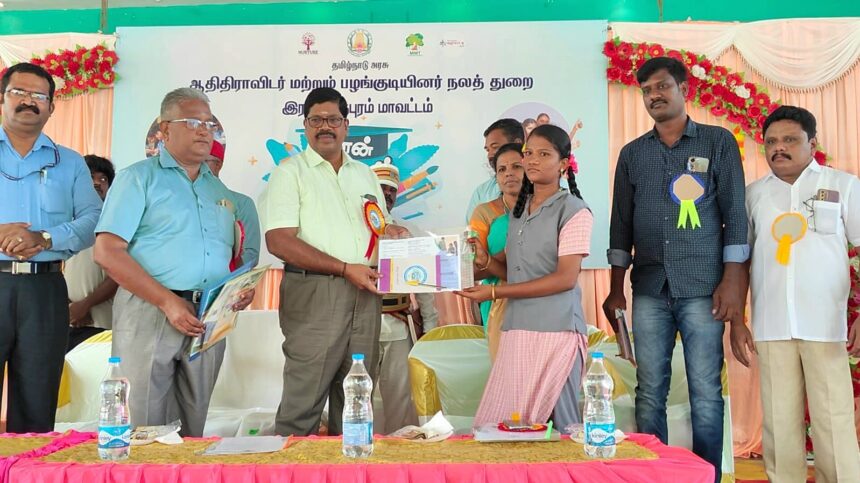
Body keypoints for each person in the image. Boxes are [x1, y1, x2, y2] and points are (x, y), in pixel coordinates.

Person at [602, 56, 747, 482]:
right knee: (649, 391)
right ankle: (656, 476)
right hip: (649, 288)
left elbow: (735, 215)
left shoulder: (718, 142)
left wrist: (733, 282)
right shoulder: (633, 154)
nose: (654, 96)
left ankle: (707, 476)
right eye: (647, 90)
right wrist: (615, 289)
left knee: (705, 390)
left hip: (704, 286)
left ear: (684, 89)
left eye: (662, 86)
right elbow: (620, 224)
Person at [94, 87, 255, 437]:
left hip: (208, 316)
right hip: (150, 309)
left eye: (210, 124)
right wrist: (167, 302)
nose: (204, 131)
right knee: (144, 425)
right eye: (193, 122)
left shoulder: (219, 191)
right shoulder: (138, 178)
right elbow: (107, 252)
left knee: (192, 426)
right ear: (164, 130)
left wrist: (239, 292)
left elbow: (229, 258)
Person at [259, 87, 409, 437]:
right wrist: (343, 269)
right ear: (305, 126)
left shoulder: (365, 174)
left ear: (346, 126)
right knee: (303, 402)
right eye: (316, 120)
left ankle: (352, 463)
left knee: (357, 400)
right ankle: (292, 467)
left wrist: (393, 232)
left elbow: (380, 227)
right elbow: (278, 240)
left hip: (366, 294)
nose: (325, 126)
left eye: (333, 119)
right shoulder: (290, 172)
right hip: (315, 293)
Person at [731, 106, 860, 482]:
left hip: (825, 324)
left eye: (789, 139)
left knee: (833, 419)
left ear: (812, 143)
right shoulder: (754, 194)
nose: (778, 148)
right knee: (779, 422)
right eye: (771, 141)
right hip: (772, 324)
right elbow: (739, 260)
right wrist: (737, 320)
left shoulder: (843, 185)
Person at [460, 124, 592, 431]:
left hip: (557, 330)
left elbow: (564, 279)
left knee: (561, 426)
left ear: (563, 164)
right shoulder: (519, 212)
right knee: (511, 427)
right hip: (516, 328)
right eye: (528, 153)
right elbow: (511, 268)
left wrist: (496, 293)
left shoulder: (574, 211)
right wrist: (484, 260)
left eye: (543, 154)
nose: (532, 160)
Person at [0, 62, 102, 432]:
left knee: (38, 400)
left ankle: (27, 462)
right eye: (19, 92)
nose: (29, 101)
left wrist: (45, 238)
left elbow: (94, 219)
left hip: (45, 289)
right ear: (2, 99)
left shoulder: (69, 162)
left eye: (39, 96)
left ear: (52, 107)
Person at [370, 159, 439, 434]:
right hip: (360, 324)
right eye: (381, 188)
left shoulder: (408, 232)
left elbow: (423, 286)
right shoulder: (351, 232)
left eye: (391, 191)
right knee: (356, 396)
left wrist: (430, 327)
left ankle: (398, 450)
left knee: (400, 399)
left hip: (399, 325)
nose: (387, 195)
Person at [468, 142, 524, 359]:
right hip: (496, 300)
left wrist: (502, 257)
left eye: (516, 167)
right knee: (505, 367)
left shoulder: (543, 209)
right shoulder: (483, 212)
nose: (509, 173)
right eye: (502, 169)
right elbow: (472, 269)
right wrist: (508, 256)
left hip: (538, 296)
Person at [66, 155, 119, 351]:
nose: (97, 183)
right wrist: (71, 308)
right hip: (70, 319)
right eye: (91, 177)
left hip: (102, 324)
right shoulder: (68, 221)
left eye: (103, 179)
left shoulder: (115, 221)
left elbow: (119, 276)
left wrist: (85, 305)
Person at [204, 140, 261, 267]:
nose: (197, 168)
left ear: (218, 164)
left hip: (228, 278)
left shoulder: (243, 203)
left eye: (203, 161)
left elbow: (251, 256)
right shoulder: (181, 202)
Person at [464, 119, 524, 222]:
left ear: (517, 143)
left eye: (495, 147)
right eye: (488, 150)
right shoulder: (481, 192)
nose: (490, 155)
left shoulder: (545, 186)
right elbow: (472, 229)